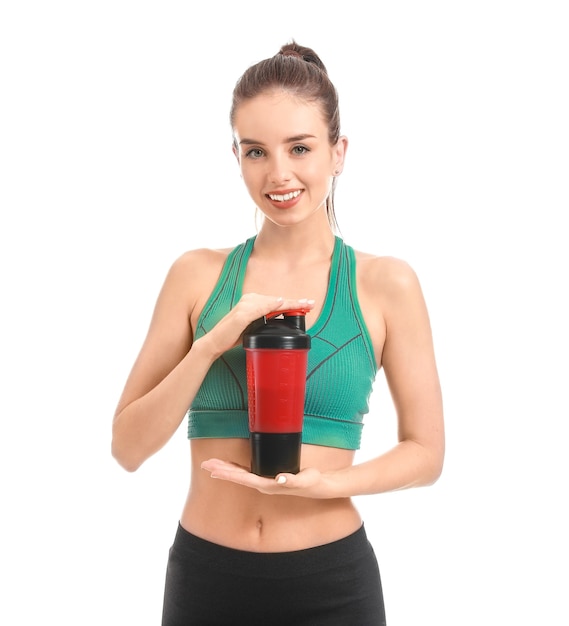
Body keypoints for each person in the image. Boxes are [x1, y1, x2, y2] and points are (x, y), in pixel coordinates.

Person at [111, 41, 445, 626]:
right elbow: (128, 447)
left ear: (338, 153)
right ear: (236, 157)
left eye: (300, 148)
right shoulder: (198, 276)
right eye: (256, 152)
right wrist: (215, 341)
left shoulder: (385, 283)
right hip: (205, 581)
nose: (279, 173)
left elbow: (427, 453)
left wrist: (326, 485)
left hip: (331, 583)